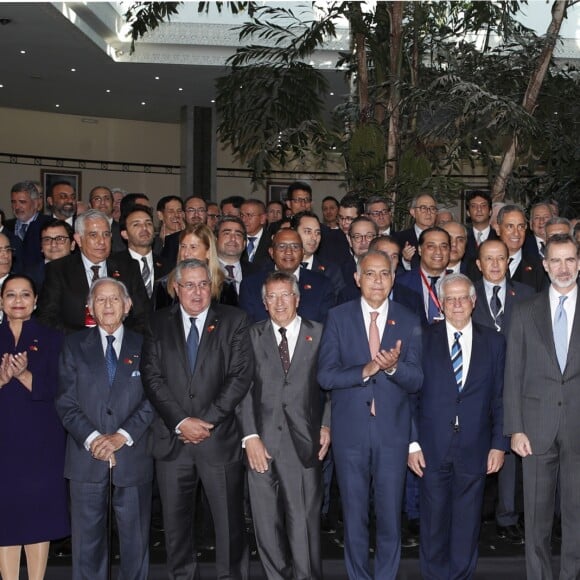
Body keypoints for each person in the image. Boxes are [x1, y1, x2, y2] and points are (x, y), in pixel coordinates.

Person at [142, 259, 253, 580]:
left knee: (230, 527)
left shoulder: (235, 320)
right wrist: (181, 421)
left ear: (212, 287)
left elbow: (239, 377)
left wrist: (205, 422)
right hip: (172, 442)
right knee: (176, 531)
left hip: (218, 440)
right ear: (175, 289)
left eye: (203, 284)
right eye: (189, 285)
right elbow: (151, 378)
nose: (197, 292)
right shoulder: (156, 323)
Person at [318, 250, 423, 579]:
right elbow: (326, 376)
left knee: (390, 516)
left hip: (393, 434)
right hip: (350, 434)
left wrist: (392, 369)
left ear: (393, 279)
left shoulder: (408, 318)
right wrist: (366, 369)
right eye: (370, 273)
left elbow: (418, 380)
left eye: (384, 274)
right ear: (357, 278)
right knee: (355, 516)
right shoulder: (338, 317)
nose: (377, 280)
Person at [408, 273, 507, 579]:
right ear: (441, 303)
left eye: (463, 297)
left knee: (467, 523)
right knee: (433, 522)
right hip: (432, 447)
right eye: (450, 298)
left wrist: (498, 444)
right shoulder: (422, 338)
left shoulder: (494, 342)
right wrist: (412, 444)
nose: (457, 304)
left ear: (474, 301)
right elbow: (410, 397)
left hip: (476, 447)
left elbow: (500, 397)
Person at [56, 278, 154, 580]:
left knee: (135, 545)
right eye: (100, 300)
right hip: (87, 459)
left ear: (127, 306)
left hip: (133, 457)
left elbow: (154, 398)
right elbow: (65, 402)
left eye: (114, 299)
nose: (108, 305)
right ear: (89, 308)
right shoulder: (73, 345)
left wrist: (120, 437)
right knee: (87, 547)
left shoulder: (147, 345)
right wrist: (95, 440)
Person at [239, 271, 331, 579]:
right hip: (260, 444)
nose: (279, 303)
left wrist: (326, 426)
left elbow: (332, 388)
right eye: (272, 297)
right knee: (266, 525)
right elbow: (242, 391)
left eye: (285, 295)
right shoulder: (250, 336)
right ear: (264, 303)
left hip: (304, 444)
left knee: (304, 524)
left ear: (297, 298)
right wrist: (250, 435)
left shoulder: (319, 334)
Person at [504, 234, 580, 580]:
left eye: (570, 260)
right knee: (536, 518)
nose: (563, 268)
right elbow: (513, 373)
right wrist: (515, 428)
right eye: (556, 261)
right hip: (534, 429)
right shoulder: (524, 311)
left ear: (579, 263)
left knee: (577, 514)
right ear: (545, 265)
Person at [0, 274, 69, 580]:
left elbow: (65, 389)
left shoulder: (54, 338)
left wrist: (26, 376)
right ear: (1, 301)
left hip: (42, 440)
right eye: (11, 295)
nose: (18, 301)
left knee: (38, 512)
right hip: (4, 439)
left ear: (36, 300)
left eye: (25, 295)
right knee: (6, 514)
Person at [37, 209, 149, 334]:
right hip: (74, 345)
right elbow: (47, 318)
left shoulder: (128, 267)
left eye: (106, 234)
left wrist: (119, 337)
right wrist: (89, 338)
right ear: (78, 239)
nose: (102, 241)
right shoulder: (58, 270)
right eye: (93, 235)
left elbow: (143, 316)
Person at [239, 228, 335, 323]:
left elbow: (326, 327)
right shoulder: (251, 285)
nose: (288, 252)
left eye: (295, 247)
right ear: (271, 252)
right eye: (281, 246)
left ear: (302, 252)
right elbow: (249, 329)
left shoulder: (322, 285)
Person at [6, 181, 52, 274]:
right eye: (13, 202)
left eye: (22, 202)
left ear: (35, 203)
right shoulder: (6, 227)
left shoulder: (49, 224)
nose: (17, 206)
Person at [394, 193, 438, 270]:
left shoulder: (443, 237)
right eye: (423, 208)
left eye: (432, 208)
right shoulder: (399, 238)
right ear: (413, 212)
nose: (429, 212)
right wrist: (406, 261)